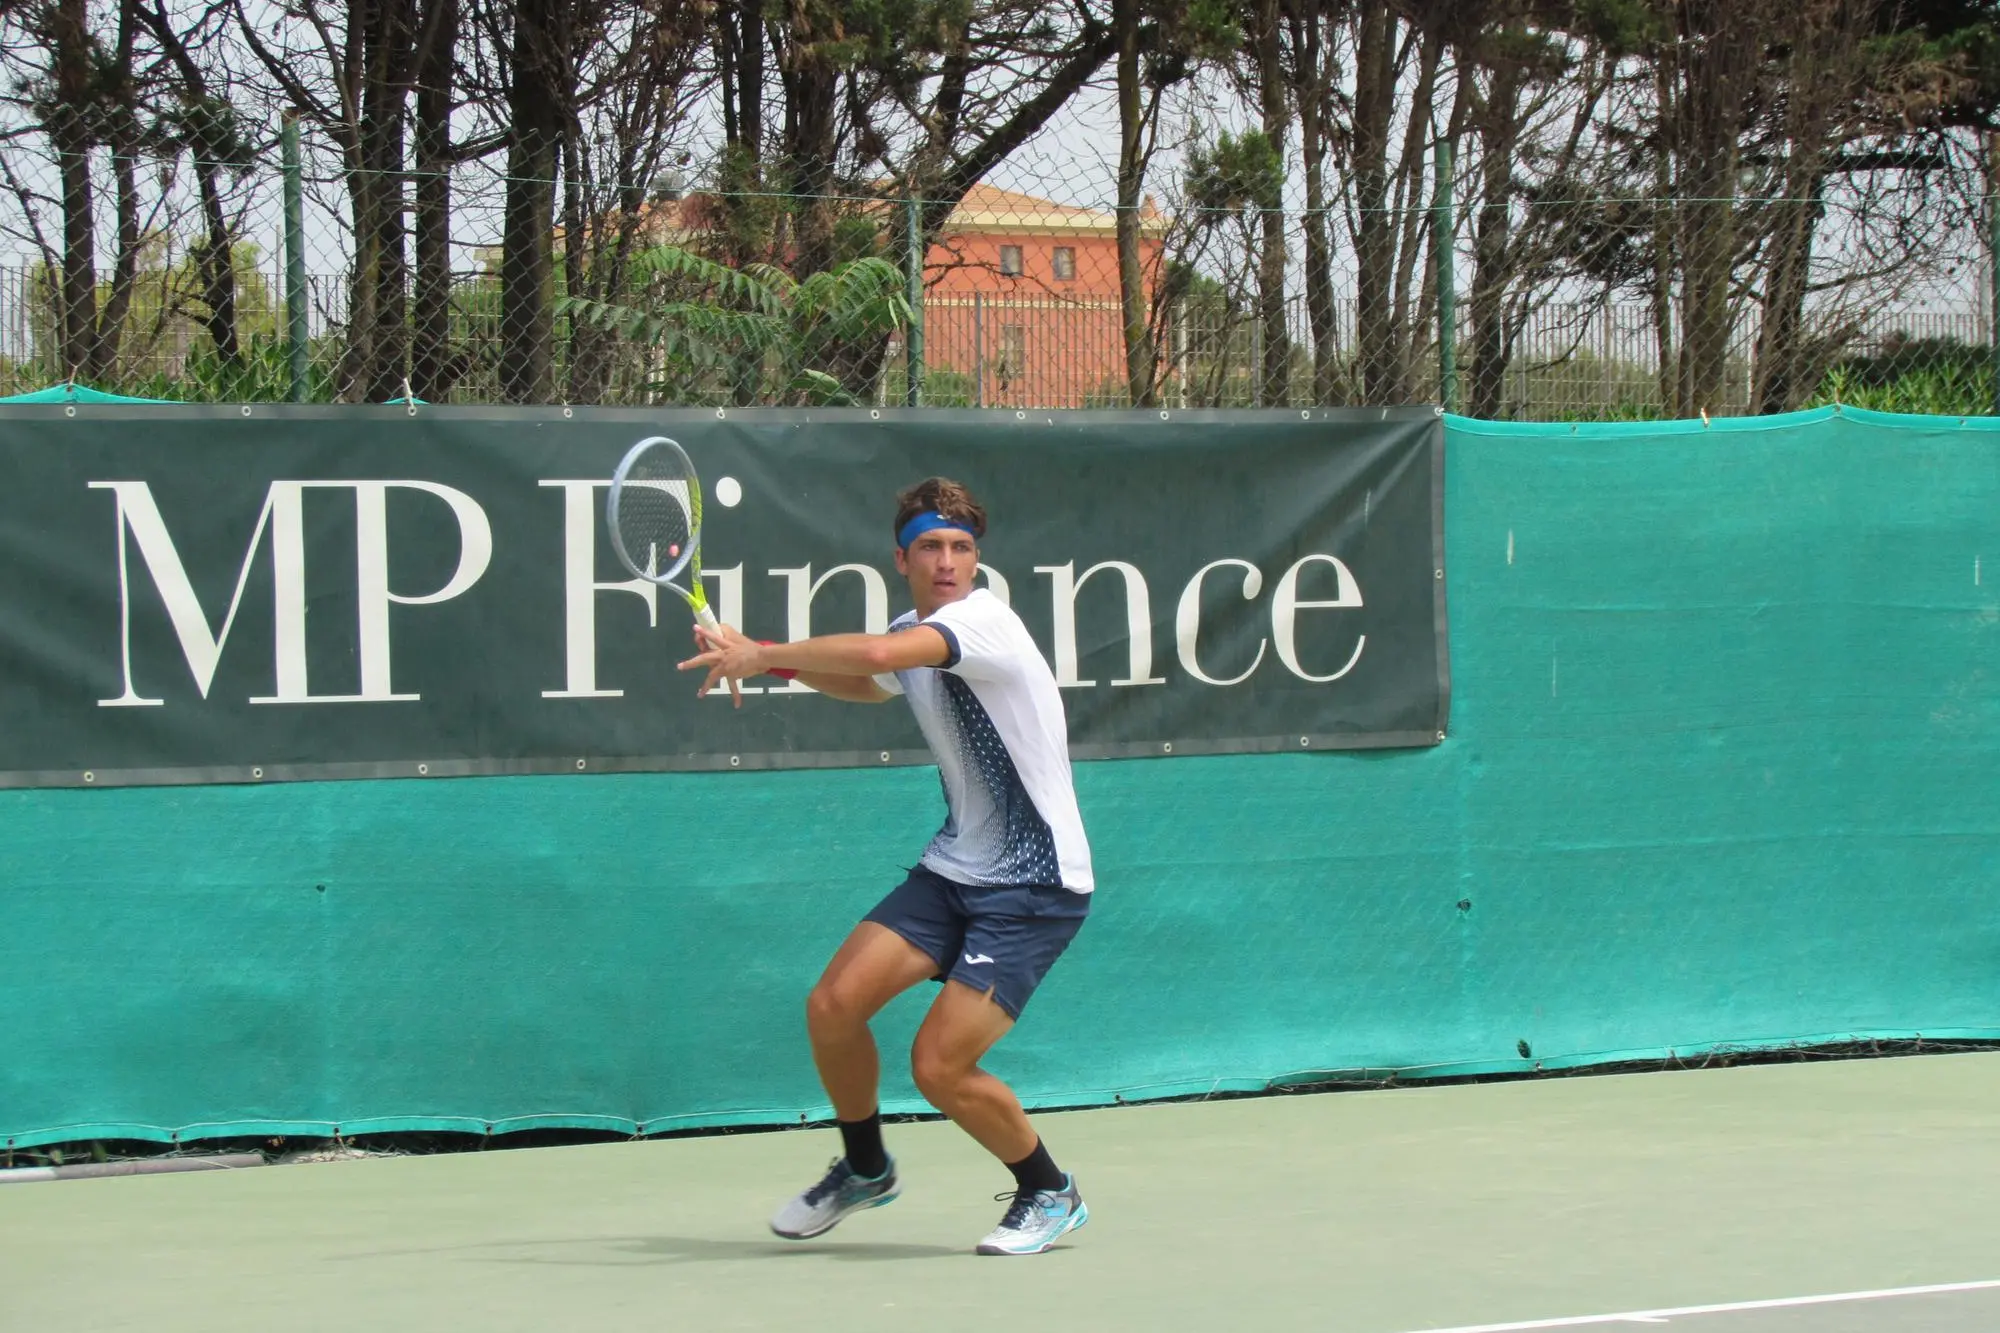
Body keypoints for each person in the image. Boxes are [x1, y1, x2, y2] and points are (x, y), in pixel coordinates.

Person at [677, 476, 1093, 1257]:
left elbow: (874, 653)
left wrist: (761, 651)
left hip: (1035, 885)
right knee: (833, 1005)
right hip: (957, 868)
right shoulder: (917, 627)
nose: (948, 562)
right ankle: (866, 1168)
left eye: (962, 547)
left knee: (939, 1065)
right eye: (931, 546)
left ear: (977, 558)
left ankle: (1049, 1189)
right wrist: (767, 664)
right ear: (902, 558)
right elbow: (870, 682)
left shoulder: (983, 621)